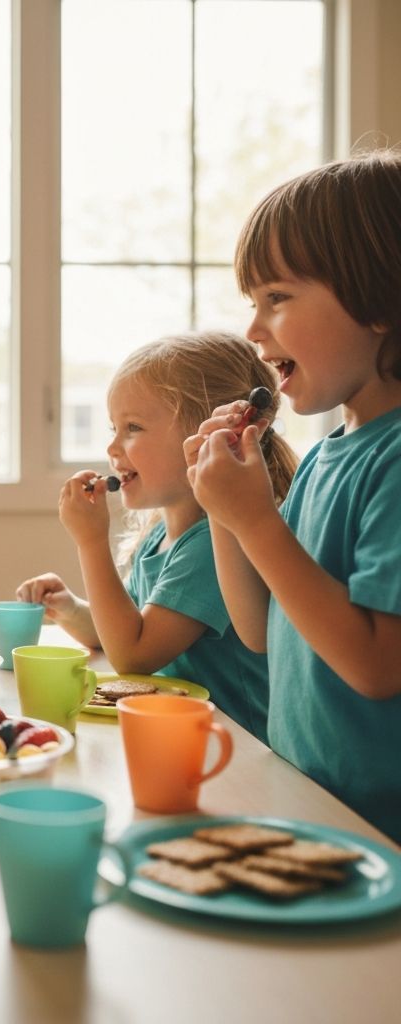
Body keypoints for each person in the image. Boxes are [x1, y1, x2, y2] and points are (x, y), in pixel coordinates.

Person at [184, 151, 401, 842]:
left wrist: (255, 517)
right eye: (253, 304)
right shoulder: (326, 456)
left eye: (277, 298)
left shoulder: (393, 462)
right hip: (309, 798)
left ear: (379, 298)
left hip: (379, 828)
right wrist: (226, 513)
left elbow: (373, 665)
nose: (253, 330)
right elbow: (261, 629)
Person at [17, 332, 297, 741]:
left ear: (202, 435)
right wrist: (71, 609)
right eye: (114, 427)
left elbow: (133, 655)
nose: (113, 447)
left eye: (133, 428)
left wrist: (91, 543)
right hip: (184, 732)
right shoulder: (159, 535)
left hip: (237, 744)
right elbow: (119, 628)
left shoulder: (211, 544)